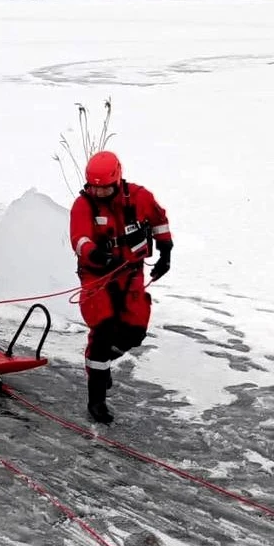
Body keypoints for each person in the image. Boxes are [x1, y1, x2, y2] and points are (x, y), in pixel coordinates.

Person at [69, 150, 173, 424]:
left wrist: (166, 252)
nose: (98, 193)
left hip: (131, 274)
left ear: (117, 180)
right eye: (93, 187)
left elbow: (160, 221)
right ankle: (97, 396)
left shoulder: (140, 197)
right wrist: (95, 254)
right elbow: (79, 239)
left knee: (134, 332)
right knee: (103, 331)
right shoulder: (83, 205)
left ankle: (101, 364)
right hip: (97, 277)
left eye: (103, 189)